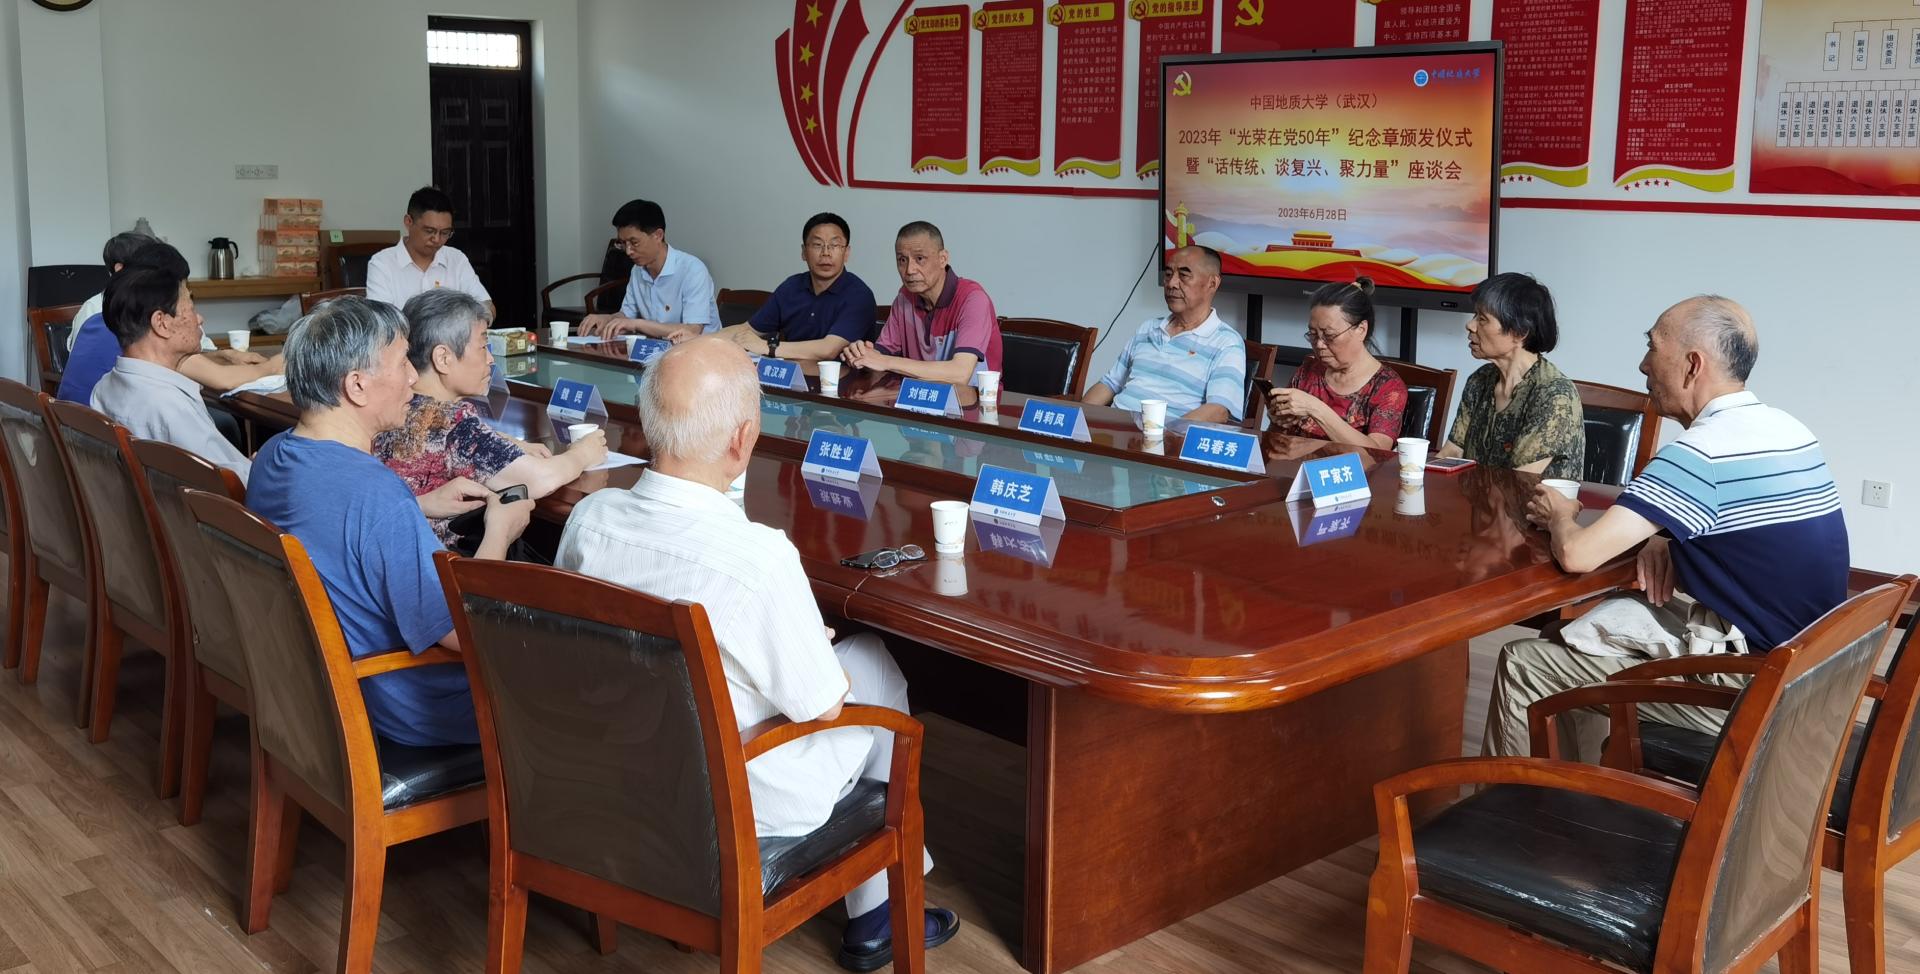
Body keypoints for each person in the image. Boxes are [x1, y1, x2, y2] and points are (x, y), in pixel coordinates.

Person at [555, 336, 959, 971]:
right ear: (743, 440)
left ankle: (879, 899)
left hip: (616, 770)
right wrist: (805, 647)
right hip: (733, 796)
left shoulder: (590, 518)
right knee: (873, 663)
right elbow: (824, 707)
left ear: (649, 424)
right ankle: (877, 910)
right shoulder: (757, 558)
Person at [1483, 295, 1848, 761]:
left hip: (1752, 687)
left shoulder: (1702, 452)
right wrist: (1665, 536)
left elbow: (1578, 555)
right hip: (1814, 670)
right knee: (1565, 635)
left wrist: (1561, 514)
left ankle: (1514, 804)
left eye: (1652, 347)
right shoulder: (1788, 430)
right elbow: (1746, 531)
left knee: (1524, 662)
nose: (1643, 364)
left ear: (1692, 365)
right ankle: (1579, 787)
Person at [248, 296, 534, 747]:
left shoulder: (273, 455)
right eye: (402, 363)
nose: (414, 378)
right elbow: (462, 632)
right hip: (413, 708)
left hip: (316, 695)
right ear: (357, 386)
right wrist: (500, 531)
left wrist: (417, 505)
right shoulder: (375, 492)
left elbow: (332, 521)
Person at [375, 289, 608, 545]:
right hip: (446, 559)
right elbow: (541, 479)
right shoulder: (451, 421)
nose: (490, 359)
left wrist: (506, 441)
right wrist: (583, 452)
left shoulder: (393, 408)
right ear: (443, 358)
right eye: (483, 347)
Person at [89, 262, 254, 483]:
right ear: (162, 323)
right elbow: (226, 486)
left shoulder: (103, 388)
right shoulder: (169, 407)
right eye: (191, 308)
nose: (200, 319)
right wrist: (262, 468)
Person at [58, 241, 279, 405]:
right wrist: (275, 365)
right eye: (181, 292)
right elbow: (223, 379)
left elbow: (180, 359)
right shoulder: (142, 330)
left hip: (83, 434)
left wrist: (224, 355)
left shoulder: (105, 318)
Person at [1436, 272, 1584, 478]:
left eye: (1482, 319)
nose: (1470, 325)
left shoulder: (1554, 395)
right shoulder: (1480, 380)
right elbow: (1453, 451)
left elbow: (1520, 481)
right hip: (1479, 497)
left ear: (1519, 332)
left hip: (1526, 498)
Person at [1083, 245, 1244, 424]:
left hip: (1166, 437)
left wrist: (1159, 435)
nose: (1172, 283)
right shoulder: (1148, 328)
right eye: (1168, 274)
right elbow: (1109, 384)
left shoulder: (1226, 342)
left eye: (1184, 275)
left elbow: (1218, 410)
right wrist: (1076, 422)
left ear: (1212, 283)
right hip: (1115, 430)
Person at [841, 220, 1002, 385]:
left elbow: (960, 374)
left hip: (974, 399)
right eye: (902, 260)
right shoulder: (904, 298)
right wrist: (862, 355)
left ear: (943, 259)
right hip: (919, 397)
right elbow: (880, 356)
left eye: (920, 258)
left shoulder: (973, 299)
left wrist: (885, 361)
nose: (909, 270)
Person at [1265, 277, 1408, 450]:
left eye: (1330, 335)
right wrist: (1278, 420)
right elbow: (1277, 440)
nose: (1319, 344)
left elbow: (1377, 453)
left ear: (1361, 329)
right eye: (1313, 335)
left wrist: (1315, 408)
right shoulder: (1308, 370)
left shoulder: (1388, 387)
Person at [715, 212, 877, 363]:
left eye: (834, 245)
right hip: (792, 376)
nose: (826, 253)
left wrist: (768, 347)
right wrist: (706, 341)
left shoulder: (859, 295)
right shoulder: (791, 287)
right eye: (817, 245)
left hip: (842, 381)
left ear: (846, 253)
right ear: (804, 252)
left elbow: (828, 349)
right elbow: (747, 330)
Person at [577, 199, 720, 341]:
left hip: (700, 351)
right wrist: (607, 319)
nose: (628, 251)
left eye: (634, 243)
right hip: (657, 349)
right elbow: (626, 315)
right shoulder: (637, 270)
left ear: (658, 235)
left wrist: (637, 324)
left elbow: (692, 331)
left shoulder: (693, 270)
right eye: (623, 243)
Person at [364, 186, 494, 315]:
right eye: (429, 231)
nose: (437, 239)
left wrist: (482, 318)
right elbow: (382, 320)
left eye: (445, 232)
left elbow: (486, 305)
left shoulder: (456, 259)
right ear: (408, 222)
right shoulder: (382, 264)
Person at [66, 230, 156, 346]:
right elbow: (85, 354)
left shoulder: (156, 301)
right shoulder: (94, 310)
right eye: (147, 266)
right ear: (120, 270)